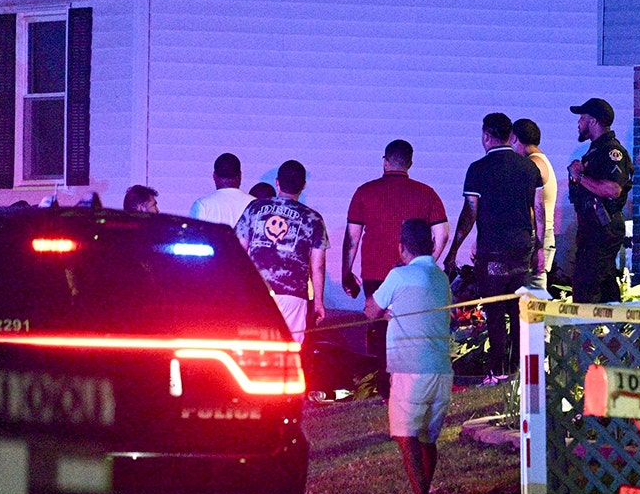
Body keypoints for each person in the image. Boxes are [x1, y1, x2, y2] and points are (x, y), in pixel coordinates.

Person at [443, 113, 544, 380]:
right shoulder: (529, 168)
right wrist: (540, 248)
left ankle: (497, 371)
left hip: (493, 254)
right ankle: (518, 369)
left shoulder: (477, 169)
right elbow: (538, 210)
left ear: (486, 136)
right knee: (519, 311)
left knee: (495, 314)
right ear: (510, 136)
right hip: (522, 252)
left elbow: (470, 211)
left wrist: (454, 250)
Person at [364, 219, 453, 494]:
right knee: (428, 437)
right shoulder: (441, 278)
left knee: (406, 436)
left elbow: (370, 310)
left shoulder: (398, 276)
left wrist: (387, 307)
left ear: (401, 246)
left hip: (409, 366)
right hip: (441, 367)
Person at [343, 139, 449, 391]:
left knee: (380, 329)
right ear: (410, 163)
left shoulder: (364, 191)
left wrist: (346, 274)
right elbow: (442, 234)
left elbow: (352, 239)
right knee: (410, 325)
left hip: (375, 273)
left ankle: (383, 385)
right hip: (413, 274)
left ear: (385, 161)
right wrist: (427, 262)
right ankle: (410, 384)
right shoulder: (427, 193)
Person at [235, 160, 329, 343]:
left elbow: (238, 252)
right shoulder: (313, 218)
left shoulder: (254, 209)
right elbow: (318, 265)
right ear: (303, 186)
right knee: (288, 351)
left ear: (277, 182)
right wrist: (318, 301)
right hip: (293, 294)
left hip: (257, 292)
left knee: (254, 349)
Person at [567, 97, 633, 303]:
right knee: (604, 284)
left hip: (603, 228)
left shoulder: (612, 152)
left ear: (593, 121)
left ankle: (588, 332)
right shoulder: (595, 151)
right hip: (591, 229)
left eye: (582, 118)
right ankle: (613, 331)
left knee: (585, 286)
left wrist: (581, 177)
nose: (578, 123)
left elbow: (613, 189)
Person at [511, 118, 557, 290]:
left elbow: (528, 204)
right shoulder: (541, 160)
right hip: (539, 235)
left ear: (514, 138)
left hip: (536, 236)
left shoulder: (533, 164)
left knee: (533, 293)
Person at [189, 152, 253, 226]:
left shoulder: (202, 206)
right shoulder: (256, 205)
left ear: (214, 176)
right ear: (240, 175)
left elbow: (194, 236)